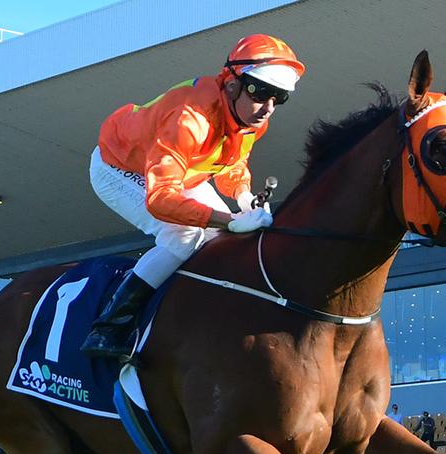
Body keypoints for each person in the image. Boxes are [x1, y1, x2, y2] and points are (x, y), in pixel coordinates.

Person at [80, 34, 305, 358]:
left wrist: (243, 197)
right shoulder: (190, 119)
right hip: (120, 166)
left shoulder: (252, 120)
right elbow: (160, 198)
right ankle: (109, 327)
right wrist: (227, 220)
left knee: (225, 239)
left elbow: (231, 162)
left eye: (279, 97)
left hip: (181, 170)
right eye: (261, 91)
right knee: (183, 237)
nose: (268, 107)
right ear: (232, 84)